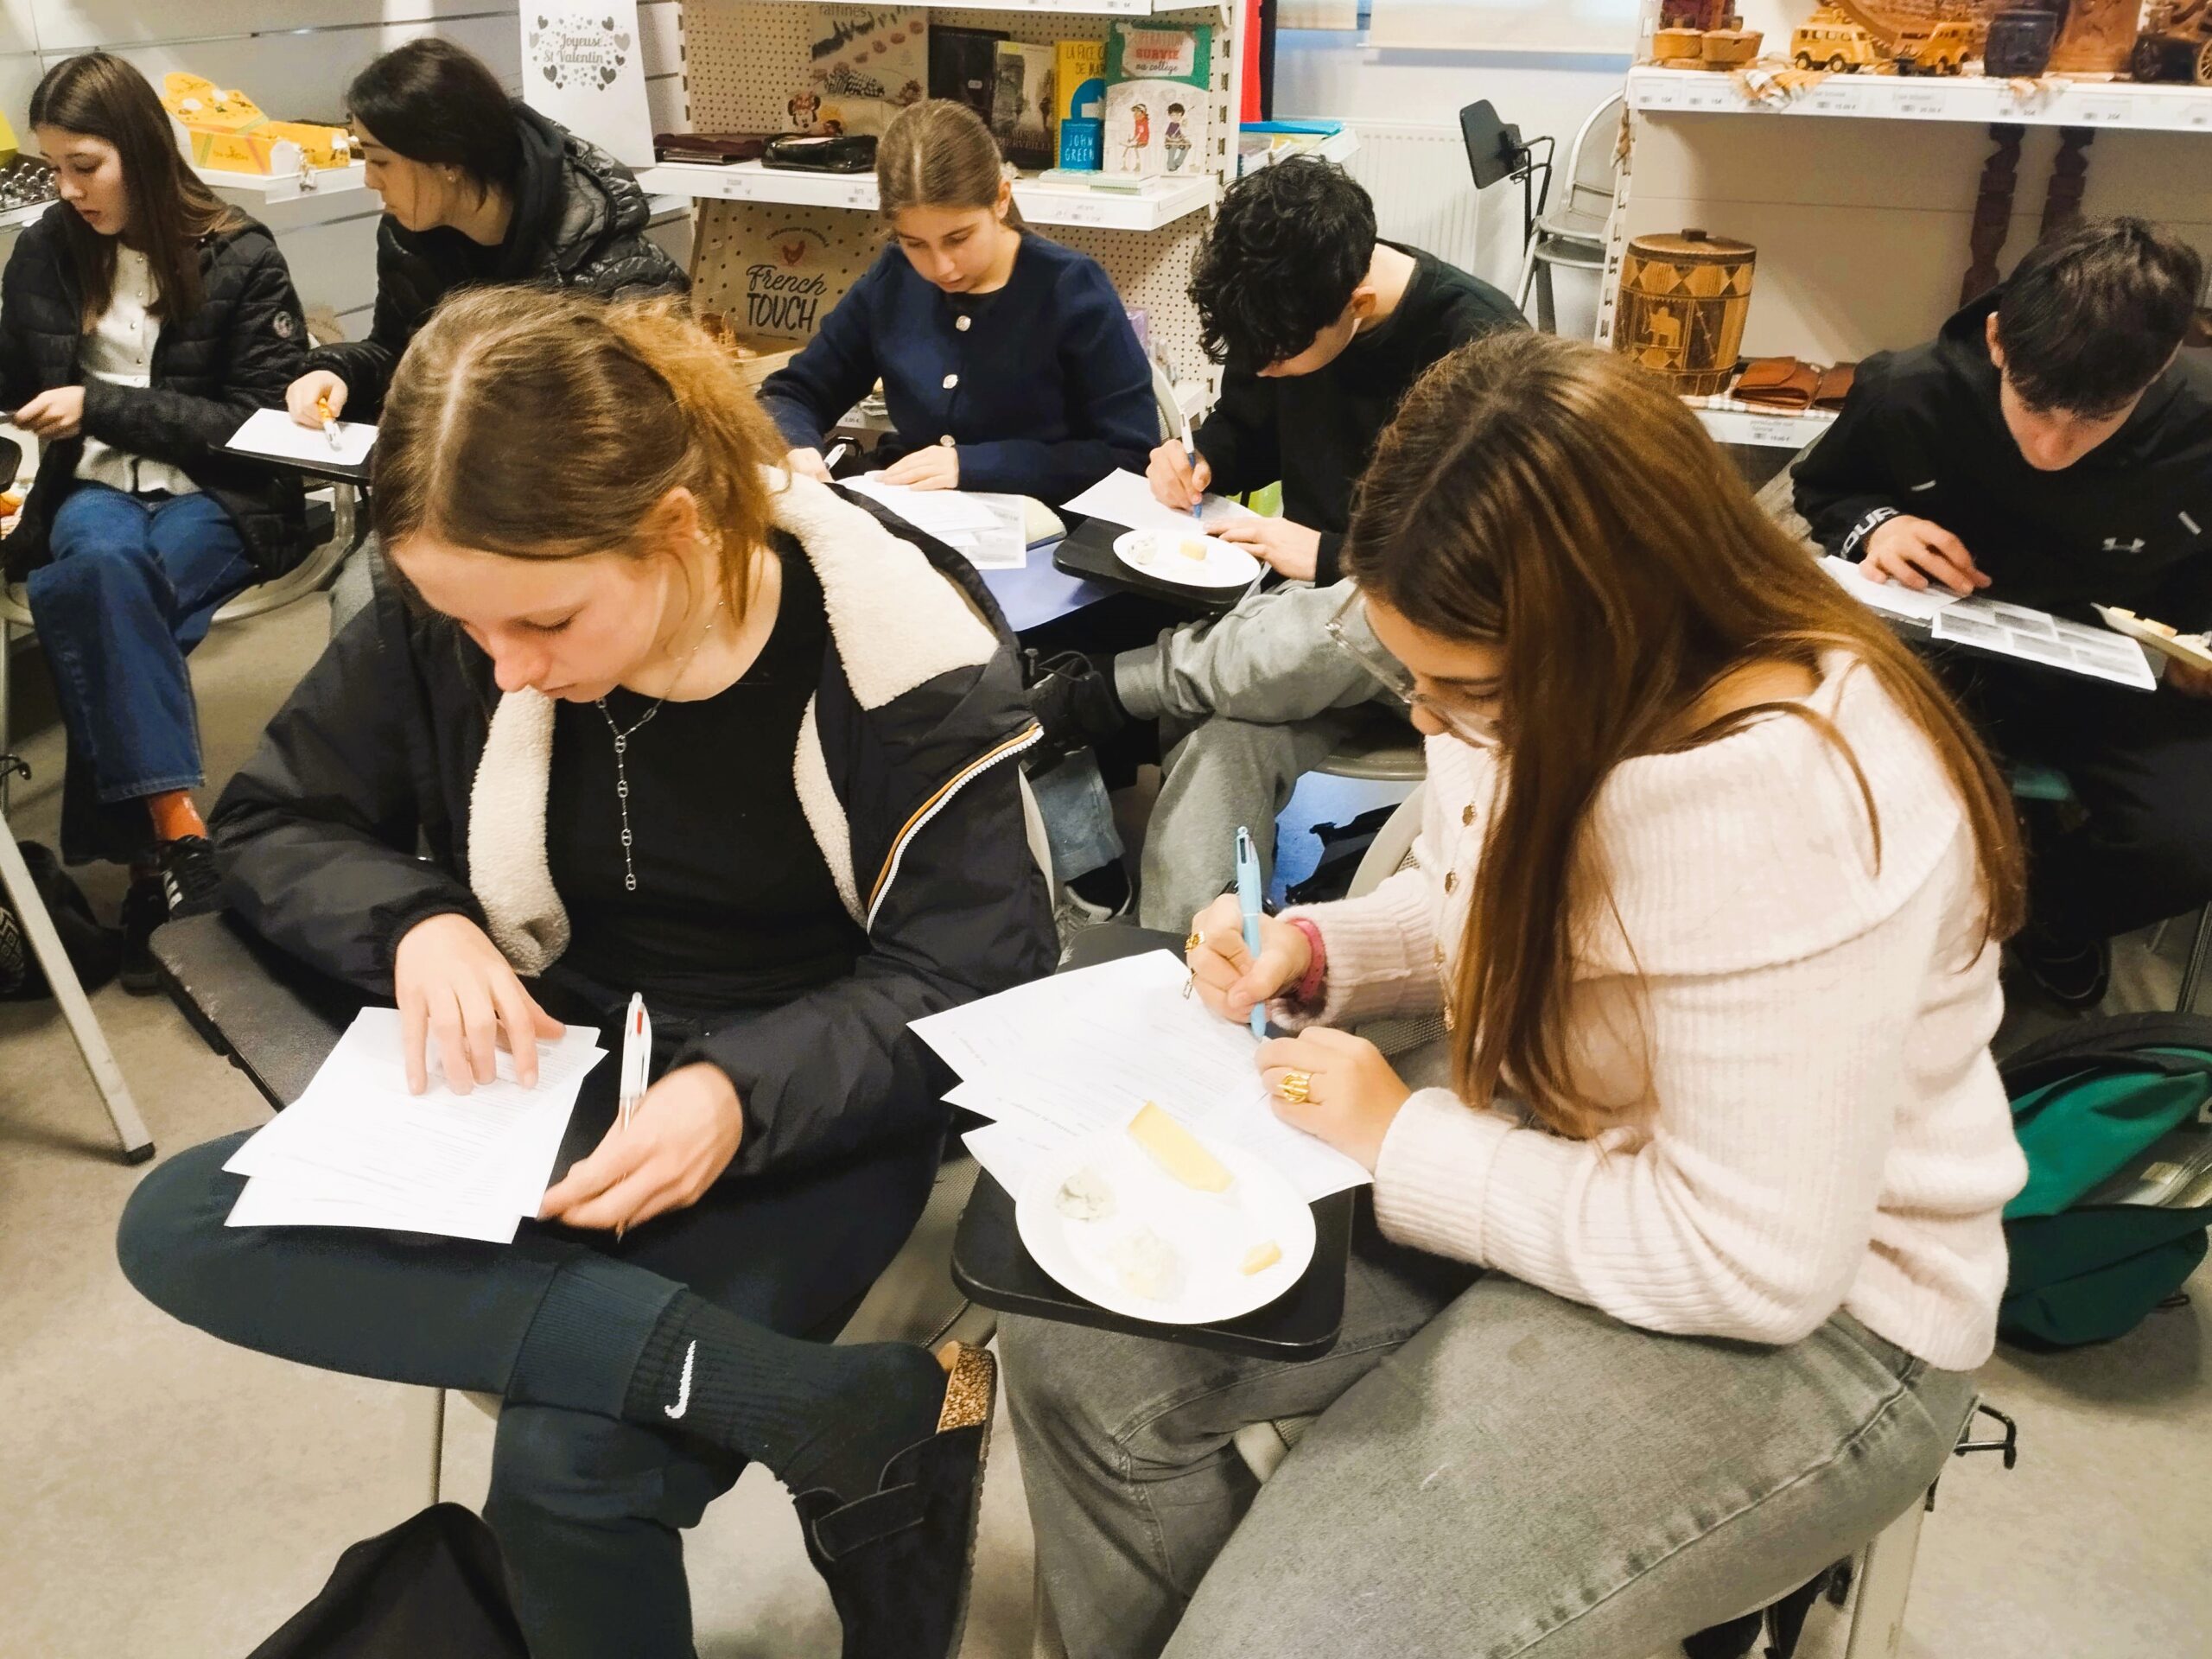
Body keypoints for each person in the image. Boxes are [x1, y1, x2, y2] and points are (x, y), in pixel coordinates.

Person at [1002, 330, 2031, 1659]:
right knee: (1080, 1362)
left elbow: (1754, 1265)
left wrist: (1394, 1138)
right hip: (1564, 1156)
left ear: (1619, 628)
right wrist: (1327, 955)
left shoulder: (1786, 802)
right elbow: (1502, 899)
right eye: (1409, 678)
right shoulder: (1576, 694)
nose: (1429, 727)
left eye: (1464, 692)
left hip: (1824, 1315)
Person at [115, 288, 1056, 1659]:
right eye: (472, 629)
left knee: (572, 1473)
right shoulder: (476, 597)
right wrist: (419, 922)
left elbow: (975, 973)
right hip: (558, 1071)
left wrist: (739, 1090)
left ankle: (784, 1401)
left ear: (679, 532)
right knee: (180, 1221)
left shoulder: (894, 654)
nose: (508, 669)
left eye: (545, 626)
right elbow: (273, 819)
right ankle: (826, 1410)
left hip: (818, 1110)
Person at [1028, 158, 1523, 928]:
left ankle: (1124, 686)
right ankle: (1181, 966)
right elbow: (1254, 421)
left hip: (1433, 647)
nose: (1264, 370)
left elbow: (1480, 572)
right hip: (1299, 651)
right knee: (1224, 740)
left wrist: (1331, 557)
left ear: (1356, 305)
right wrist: (1204, 458)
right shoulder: (1285, 303)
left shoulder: (1483, 346)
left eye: (1278, 360)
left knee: (1359, 612)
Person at [1795, 216, 2212, 1010]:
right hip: (1934, 649)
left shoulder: (2204, 432)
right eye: (2034, 404)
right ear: (1996, 340)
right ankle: (1875, 925)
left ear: (2159, 366)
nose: (2052, 446)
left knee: (2191, 837)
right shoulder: (1909, 388)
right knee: (1821, 766)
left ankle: (2039, 918)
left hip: (2118, 678)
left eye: (2094, 417)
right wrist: (1877, 527)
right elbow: (1825, 492)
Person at [0, 52, 308, 988]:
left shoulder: (242, 253)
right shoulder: (47, 248)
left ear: (139, 147)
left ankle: (147, 874)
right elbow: (13, 388)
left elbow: (257, 430)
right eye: (52, 166)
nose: (66, 188)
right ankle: (177, 844)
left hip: (218, 495)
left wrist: (100, 406)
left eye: (84, 164)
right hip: (84, 488)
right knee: (100, 576)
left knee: (97, 595)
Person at [286, 37, 688, 631]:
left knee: (381, 605)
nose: (370, 180)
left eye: (380, 159)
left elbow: (653, 432)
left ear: (446, 160)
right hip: (454, 502)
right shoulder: (408, 237)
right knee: (364, 606)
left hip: (568, 521)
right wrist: (336, 372)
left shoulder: (612, 259)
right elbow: (399, 353)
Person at [759, 99, 1154, 506]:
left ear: (1001, 199)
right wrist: (795, 449)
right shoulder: (895, 277)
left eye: (958, 238)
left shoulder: (1069, 288)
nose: (941, 267)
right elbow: (791, 394)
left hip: (1042, 528)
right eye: (914, 243)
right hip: (913, 516)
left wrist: (974, 465)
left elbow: (1132, 456)